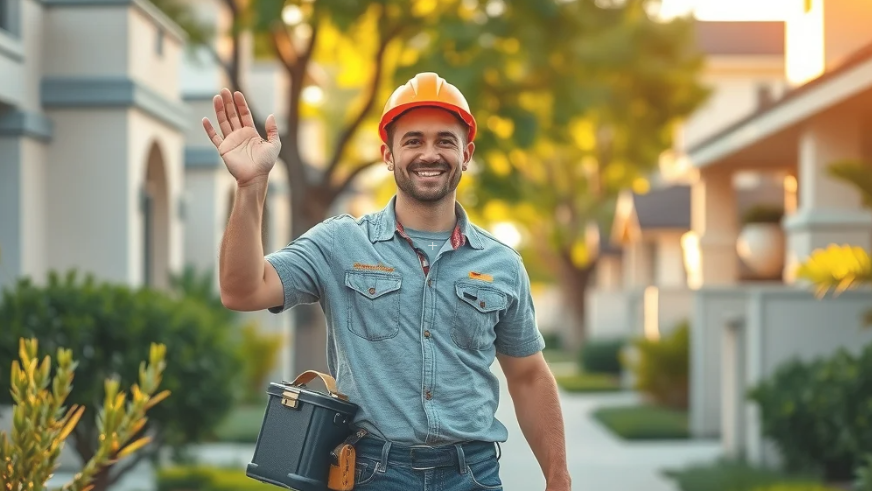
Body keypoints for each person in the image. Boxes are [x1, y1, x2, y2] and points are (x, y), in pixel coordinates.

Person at [204, 72, 572, 491]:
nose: (429, 153)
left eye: (445, 141)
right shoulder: (340, 242)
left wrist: (558, 476)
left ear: (466, 154)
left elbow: (528, 376)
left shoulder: (502, 263)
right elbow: (242, 290)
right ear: (388, 154)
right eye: (413, 141)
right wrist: (251, 186)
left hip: (473, 474)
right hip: (371, 473)